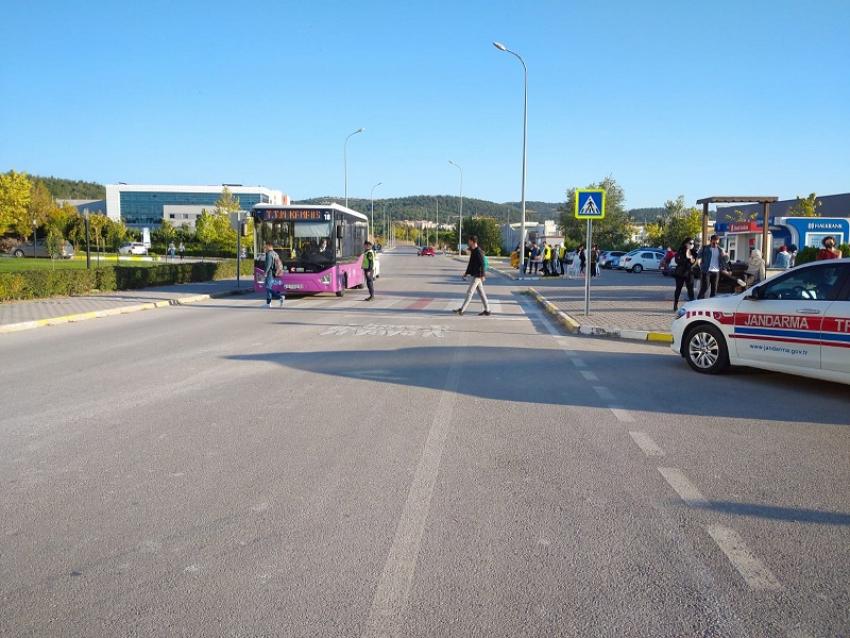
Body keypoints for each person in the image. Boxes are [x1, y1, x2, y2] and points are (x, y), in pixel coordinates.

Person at [453, 235, 491, 316]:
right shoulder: (473, 251)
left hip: (478, 275)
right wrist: (466, 273)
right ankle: (487, 310)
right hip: (475, 274)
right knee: (481, 293)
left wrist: (483, 275)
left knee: (470, 292)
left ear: (473, 242)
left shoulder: (478, 251)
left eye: (469, 241)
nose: (468, 242)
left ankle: (462, 310)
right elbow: (470, 264)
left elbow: (483, 264)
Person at [697, 234, 728, 299]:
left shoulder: (720, 250)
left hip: (716, 272)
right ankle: (698, 302)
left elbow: (726, 260)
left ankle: (711, 304)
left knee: (714, 290)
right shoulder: (705, 248)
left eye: (717, 242)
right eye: (714, 242)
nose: (715, 244)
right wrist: (700, 264)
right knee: (705, 288)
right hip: (707, 271)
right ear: (711, 241)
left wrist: (725, 255)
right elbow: (698, 256)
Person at [672, 238, 697, 311]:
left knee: (690, 290)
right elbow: (677, 261)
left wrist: (691, 259)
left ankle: (692, 306)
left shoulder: (694, 252)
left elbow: (694, 262)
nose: (691, 245)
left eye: (692, 243)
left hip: (689, 273)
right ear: (685, 243)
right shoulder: (680, 251)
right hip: (680, 273)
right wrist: (686, 258)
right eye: (690, 243)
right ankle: (675, 304)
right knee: (678, 289)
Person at [263, 241, 284, 308]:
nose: (264, 247)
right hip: (274, 272)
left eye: (265, 246)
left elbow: (268, 264)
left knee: (268, 287)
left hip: (270, 273)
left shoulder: (269, 254)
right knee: (269, 287)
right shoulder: (275, 253)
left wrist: (265, 272)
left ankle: (280, 297)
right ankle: (268, 303)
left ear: (269, 246)